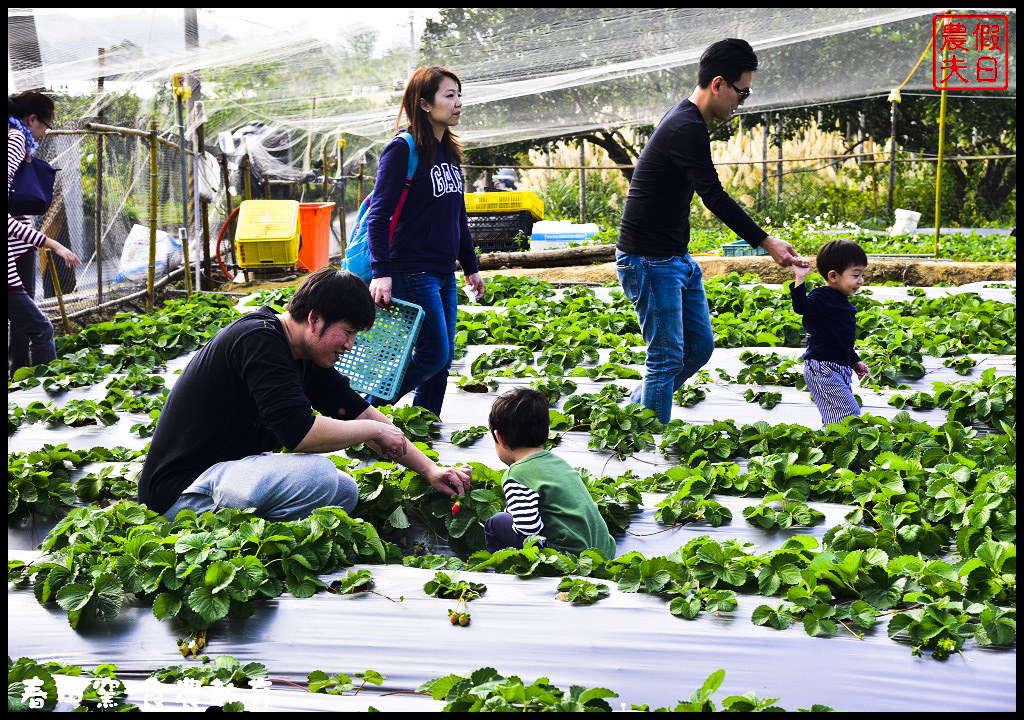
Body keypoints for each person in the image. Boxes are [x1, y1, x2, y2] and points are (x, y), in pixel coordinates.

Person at [138, 268, 472, 522]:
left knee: (344, 490)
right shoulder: (258, 340)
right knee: (320, 476)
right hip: (180, 492)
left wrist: (429, 469)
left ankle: (257, 533)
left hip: (231, 472)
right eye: (348, 332)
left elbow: (358, 412)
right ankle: (236, 532)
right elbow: (299, 434)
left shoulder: (304, 354)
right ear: (315, 319)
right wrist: (373, 431)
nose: (350, 345)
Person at [615, 39, 809, 424]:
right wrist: (765, 241)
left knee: (698, 349)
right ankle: (645, 447)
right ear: (718, 84)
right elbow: (713, 196)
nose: (742, 101)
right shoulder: (685, 126)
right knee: (666, 358)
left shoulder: (689, 121)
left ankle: (632, 414)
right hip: (649, 260)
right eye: (742, 91)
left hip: (674, 258)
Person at [366, 66, 485, 417]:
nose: (459, 102)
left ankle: (424, 426)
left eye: (459, 94)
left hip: (444, 270)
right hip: (412, 269)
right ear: (425, 105)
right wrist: (381, 272)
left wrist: (471, 267)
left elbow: (456, 216)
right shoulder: (403, 150)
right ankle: (364, 414)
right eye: (450, 95)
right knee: (434, 352)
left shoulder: (448, 150)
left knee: (443, 355)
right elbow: (379, 214)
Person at [483, 387, 617, 558]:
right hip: (603, 551)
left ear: (499, 437)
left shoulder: (515, 475)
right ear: (546, 432)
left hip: (568, 556)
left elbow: (528, 528)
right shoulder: (558, 463)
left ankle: (507, 569)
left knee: (495, 523)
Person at [8, 91, 81, 379]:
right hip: (16, 239)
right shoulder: (15, 139)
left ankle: (20, 380)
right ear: (32, 119)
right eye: (45, 126)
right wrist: (51, 242)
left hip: (18, 241)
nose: (44, 133)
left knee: (27, 320)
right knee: (37, 325)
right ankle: (37, 390)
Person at [791, 239, 870, 426]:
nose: (861, 281)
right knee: (847, 415)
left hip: (837, 368)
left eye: (862, 275)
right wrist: (800, 278)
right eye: (856, 275)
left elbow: (838, 339)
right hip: (822, 368)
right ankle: (831, 446)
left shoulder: (843, 301)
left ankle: (828, 444)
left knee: (838, 416)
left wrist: (854, 361)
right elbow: (801, 307)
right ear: (833, 276)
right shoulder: (821, 296)